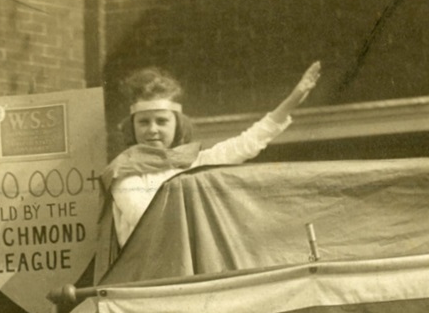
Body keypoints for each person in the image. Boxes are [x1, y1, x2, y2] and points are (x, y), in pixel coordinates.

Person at [106, 61, 321, 248]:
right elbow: (147, 219)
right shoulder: (125, 173)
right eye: (144, 122)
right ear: (131, 126)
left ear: (178, 125)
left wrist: (290, 103)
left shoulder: (190, 163)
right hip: (144, 277)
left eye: (161, 121)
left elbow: (243, 145)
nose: (152, 129)